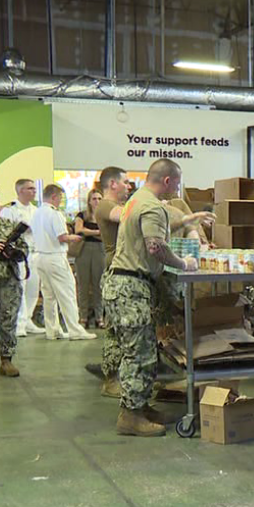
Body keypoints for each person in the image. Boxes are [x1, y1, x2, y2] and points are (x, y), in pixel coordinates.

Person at [104, 159, 199, 437]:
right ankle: (130, 416)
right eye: (178, 183)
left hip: (125, 284)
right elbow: (155, 246)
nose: (178, 188)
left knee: (140, 349)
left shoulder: (137, 200)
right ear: (168, 181)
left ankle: (140, 406)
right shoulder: (151, 206)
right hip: (131, 286)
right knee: (140, 353)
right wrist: (183, 263)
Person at [30, 185, 96, 341]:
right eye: (60, 197)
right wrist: (74, 237)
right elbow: (62, 237)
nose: (61, 201)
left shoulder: (36, 212)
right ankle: (75, 330)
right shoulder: (55, 214)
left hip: (40, 257)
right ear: (54, 197)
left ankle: (52, 330)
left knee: (49, 296)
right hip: (55, 257)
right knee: (67, 294)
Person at [94, 167, 130, 395]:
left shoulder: (116, 205)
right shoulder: (106, 205)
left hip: (121, 270)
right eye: (125, 182)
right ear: (113, 184)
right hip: (116, 273)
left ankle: (121, 377)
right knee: (116, 330)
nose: (128, 186)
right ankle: (110, 379)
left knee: (120, 329)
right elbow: (126, 216)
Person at [0, 184, 26, 377]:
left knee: (8, 318)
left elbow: (23, 247)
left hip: (8, 279)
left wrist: (15, 252)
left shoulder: (8, 225)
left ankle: (6, 360)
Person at [2, 179, 41, 337]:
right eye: (29, 188)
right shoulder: (10, 209)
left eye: (34, 188)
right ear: (20, 191)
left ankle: (29, 319)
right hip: (19, 253)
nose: (33, 191)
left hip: (35, 251)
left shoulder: (36, 210)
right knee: (20, 288)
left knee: (33, 288)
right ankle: (19, 323)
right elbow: (6, 230)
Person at [73, 189, 105, 329]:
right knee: (83, 284)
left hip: (100, 250)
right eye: (94, 199)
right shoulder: (82, 215)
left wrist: (89, 232)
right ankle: (83, 316)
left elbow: (108, 234)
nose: (97, 201)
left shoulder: (104, 216)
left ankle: (99, 316)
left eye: (99, 198)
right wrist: (97, 232)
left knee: (99, 285)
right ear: (89, 201)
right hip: (84, 249)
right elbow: (79, 230)